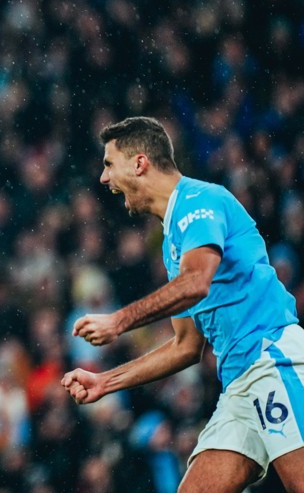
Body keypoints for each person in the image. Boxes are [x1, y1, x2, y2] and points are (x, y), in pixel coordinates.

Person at [61, 116, 304, 492]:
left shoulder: (199, 202)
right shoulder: (172, 242)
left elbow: (197, 282)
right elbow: (186, 348)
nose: (103, 178)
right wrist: (105, 382)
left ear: (139, 163)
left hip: (271, 360)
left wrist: (119, 322)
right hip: (239, 383)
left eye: (109, 164)